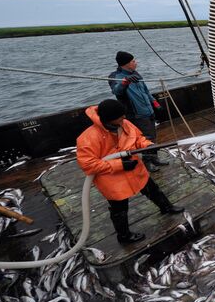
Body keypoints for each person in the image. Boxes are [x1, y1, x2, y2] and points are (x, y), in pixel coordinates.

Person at [76, 99, 184, 245]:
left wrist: (148, 146)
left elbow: (138, 138)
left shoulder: (125, 124)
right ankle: (124, 236)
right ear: (109, 118)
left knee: (153, 190)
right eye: (120, 116)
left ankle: (167, 207)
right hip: (112, 180)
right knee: (119, 209)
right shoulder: (88, 138)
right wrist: (119, 165)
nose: (124, 118)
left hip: (135, 170)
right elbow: (88, 165)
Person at [108, 51, 168, 172]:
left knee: (152, 136)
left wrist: (154, 103)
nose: (136, 63)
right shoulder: (115, 76)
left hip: (148, 111)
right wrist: (125, 82)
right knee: (143, 139)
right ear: (126, 64)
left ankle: (154, 158)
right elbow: (117, 91)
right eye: (133, 61)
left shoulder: (136, 74)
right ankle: (147, 162)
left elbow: (145, 90)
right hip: (136, 114)